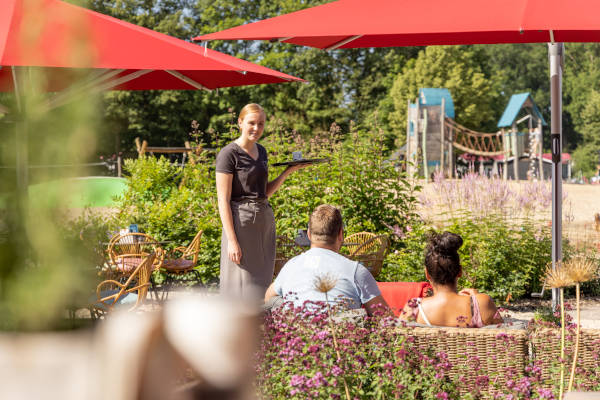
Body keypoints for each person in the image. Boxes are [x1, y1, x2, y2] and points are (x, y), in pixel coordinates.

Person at [216, 103, 306, 301]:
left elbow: (263, 193)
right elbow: (223, 200)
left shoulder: (262, 152)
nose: (256, 128)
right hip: (241, 223)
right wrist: (232, 240)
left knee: (262, 280)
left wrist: (287, 172)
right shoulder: (228, 154)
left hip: (264, 220)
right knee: (241, 281)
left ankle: (262, 325)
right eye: (251, 123)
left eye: (261, 124)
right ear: (240, 123)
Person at [264, 204, 390, 316]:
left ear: (308, 234)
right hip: (340, 338)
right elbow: (385, 317)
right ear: (340, 234)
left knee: (276, 302)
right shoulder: (355, 270)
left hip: (298, 337)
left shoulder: (291, 266)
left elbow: (268, 297)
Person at [400, 231, 503, 327]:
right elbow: (505, 337)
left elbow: (396, 339)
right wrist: (476, 299)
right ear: (460, 272)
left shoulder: (413, 307)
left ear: (427, 274)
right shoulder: (482, 302)